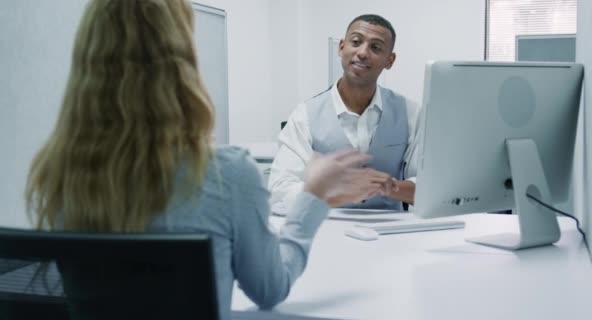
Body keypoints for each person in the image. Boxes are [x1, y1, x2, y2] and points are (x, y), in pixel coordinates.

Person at [24, 1, 382, 319]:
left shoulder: (57, 172)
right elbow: (270, 289)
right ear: (181, 65)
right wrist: (314, 193)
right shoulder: (225, 173)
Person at [269, 14, 421, 215]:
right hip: (325, 229)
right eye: (356, 42)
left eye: (376, 47)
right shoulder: (305, 114)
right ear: (341, 47)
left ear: (389, 60)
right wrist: (331, 190)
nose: (363, 53)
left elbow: (431, 189)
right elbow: (279, 194)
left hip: (391, 233)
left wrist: (390, 187)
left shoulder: (409, 112)